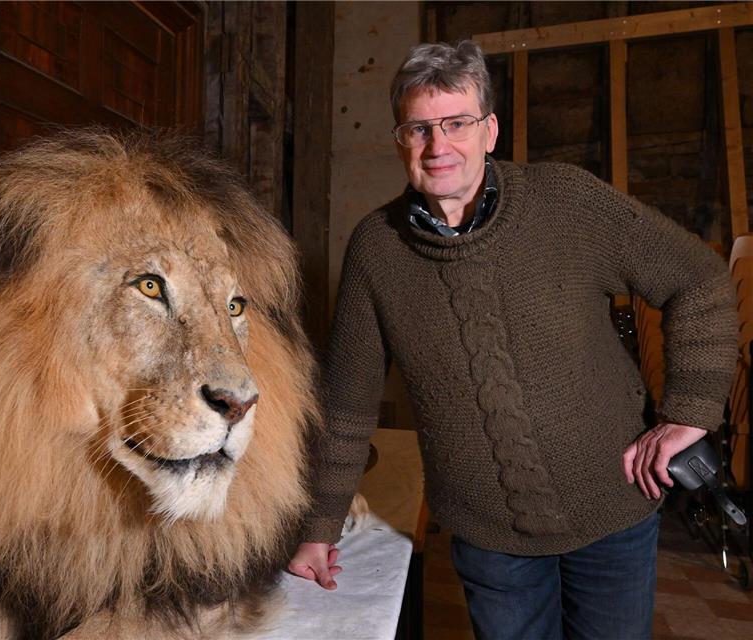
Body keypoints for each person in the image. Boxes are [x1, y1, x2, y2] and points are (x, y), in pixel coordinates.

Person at [288, 40, 737, 640]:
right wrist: (319, 526)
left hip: (615, 511)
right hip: (490, 538)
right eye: (419, 128)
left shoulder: (567, 202)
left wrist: (690, 413)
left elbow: (699, 278)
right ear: (400, 140)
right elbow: (346, 403)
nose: (438, 145)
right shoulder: (377, 249)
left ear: (490, 130)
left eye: (457, 123)